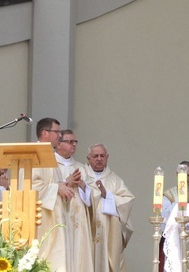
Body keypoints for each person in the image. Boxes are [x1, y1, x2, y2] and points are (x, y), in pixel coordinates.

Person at [32, 117, 86, 271]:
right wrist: (57, 188)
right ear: (45, 133)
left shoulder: (48, 155)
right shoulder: (33, 154)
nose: (59, 136)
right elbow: (30, 186)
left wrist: (62, 187)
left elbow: (50, 184)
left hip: (54, 218)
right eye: (56, 132)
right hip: (41, 220)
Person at [85, 143, 135, 272]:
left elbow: (127, 200)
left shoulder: (115, 180)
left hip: (108, 232)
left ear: (107, 157)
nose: (99, 159)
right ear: (88, 158)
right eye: (95, 156)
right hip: (87, 230)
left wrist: (107, 195)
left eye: (102, 156)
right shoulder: (81, 175)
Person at [53, 129, 94, 272]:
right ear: (58, 144)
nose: (73, 145)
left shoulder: (81, 167)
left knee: (78, 251)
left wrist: (82, 185)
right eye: (69, 141)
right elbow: (44, 188)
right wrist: (66, 181)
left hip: (77, 217)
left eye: (75, 142)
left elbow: (90, 199)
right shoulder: (50, 164)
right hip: (58, 215)